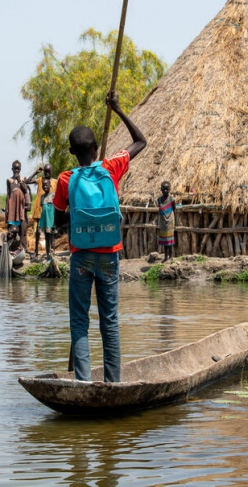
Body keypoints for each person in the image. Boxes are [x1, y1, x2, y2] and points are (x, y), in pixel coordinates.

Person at [53, 90, 146, 383]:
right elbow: (140, 141)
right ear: (95, 147)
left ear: (72, 153)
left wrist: (77, 217)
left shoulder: (66, 179)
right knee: (110, 322)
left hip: (81, 256)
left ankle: (82, 382)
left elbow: (58, 222)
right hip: (109, 255)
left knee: (79, 321)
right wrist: (118, 110)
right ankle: (113, 383)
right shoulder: (111, 167)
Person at [26, 164, 57, 257]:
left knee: (50, 232)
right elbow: (27, 181)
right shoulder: (40, 180)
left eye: (48, 171)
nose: (47, 173)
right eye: (45, 172)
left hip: (50, 210)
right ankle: (36, 250)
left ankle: (51, 251)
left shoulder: (55, 181)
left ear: (51, 171)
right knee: (38, 232)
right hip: (40, 208)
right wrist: (36, 172)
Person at [5, 160, 31, 249]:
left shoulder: (23, 179)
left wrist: (19, 180)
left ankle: (23, 248)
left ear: (20, 169)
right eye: (15, 169)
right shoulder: (9, 180)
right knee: (11, 228)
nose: (16, 170)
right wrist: (7, 209)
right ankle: (11, 247)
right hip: (12, 208)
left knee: (22, 229)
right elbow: (8, 195)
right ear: (12, 169)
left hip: (21, 208)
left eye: (18, 169)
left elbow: (25, 190)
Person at [157, 181, 177, 261]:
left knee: (170, 240)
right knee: (164, 240)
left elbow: (174, 210)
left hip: (169, 221)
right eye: (164, 189)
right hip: (162, 222)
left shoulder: (172, 200)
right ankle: (165, 257)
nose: (165, 191)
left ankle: (171, 256)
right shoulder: (159, 200)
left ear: (170, 189)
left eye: (167, 189)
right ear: (161, 189)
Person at [38, 179, 57, 258]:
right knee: (46, 237)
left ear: (50, 186)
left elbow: (55, 208)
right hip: (45, 221)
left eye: (46, 185)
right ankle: (48, 254)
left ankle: (53, 254)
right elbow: (43, 208)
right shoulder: (42, 197)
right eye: (43, 185)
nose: (45, 186)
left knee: (52, 238)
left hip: (51, 220)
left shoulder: (53, 196)